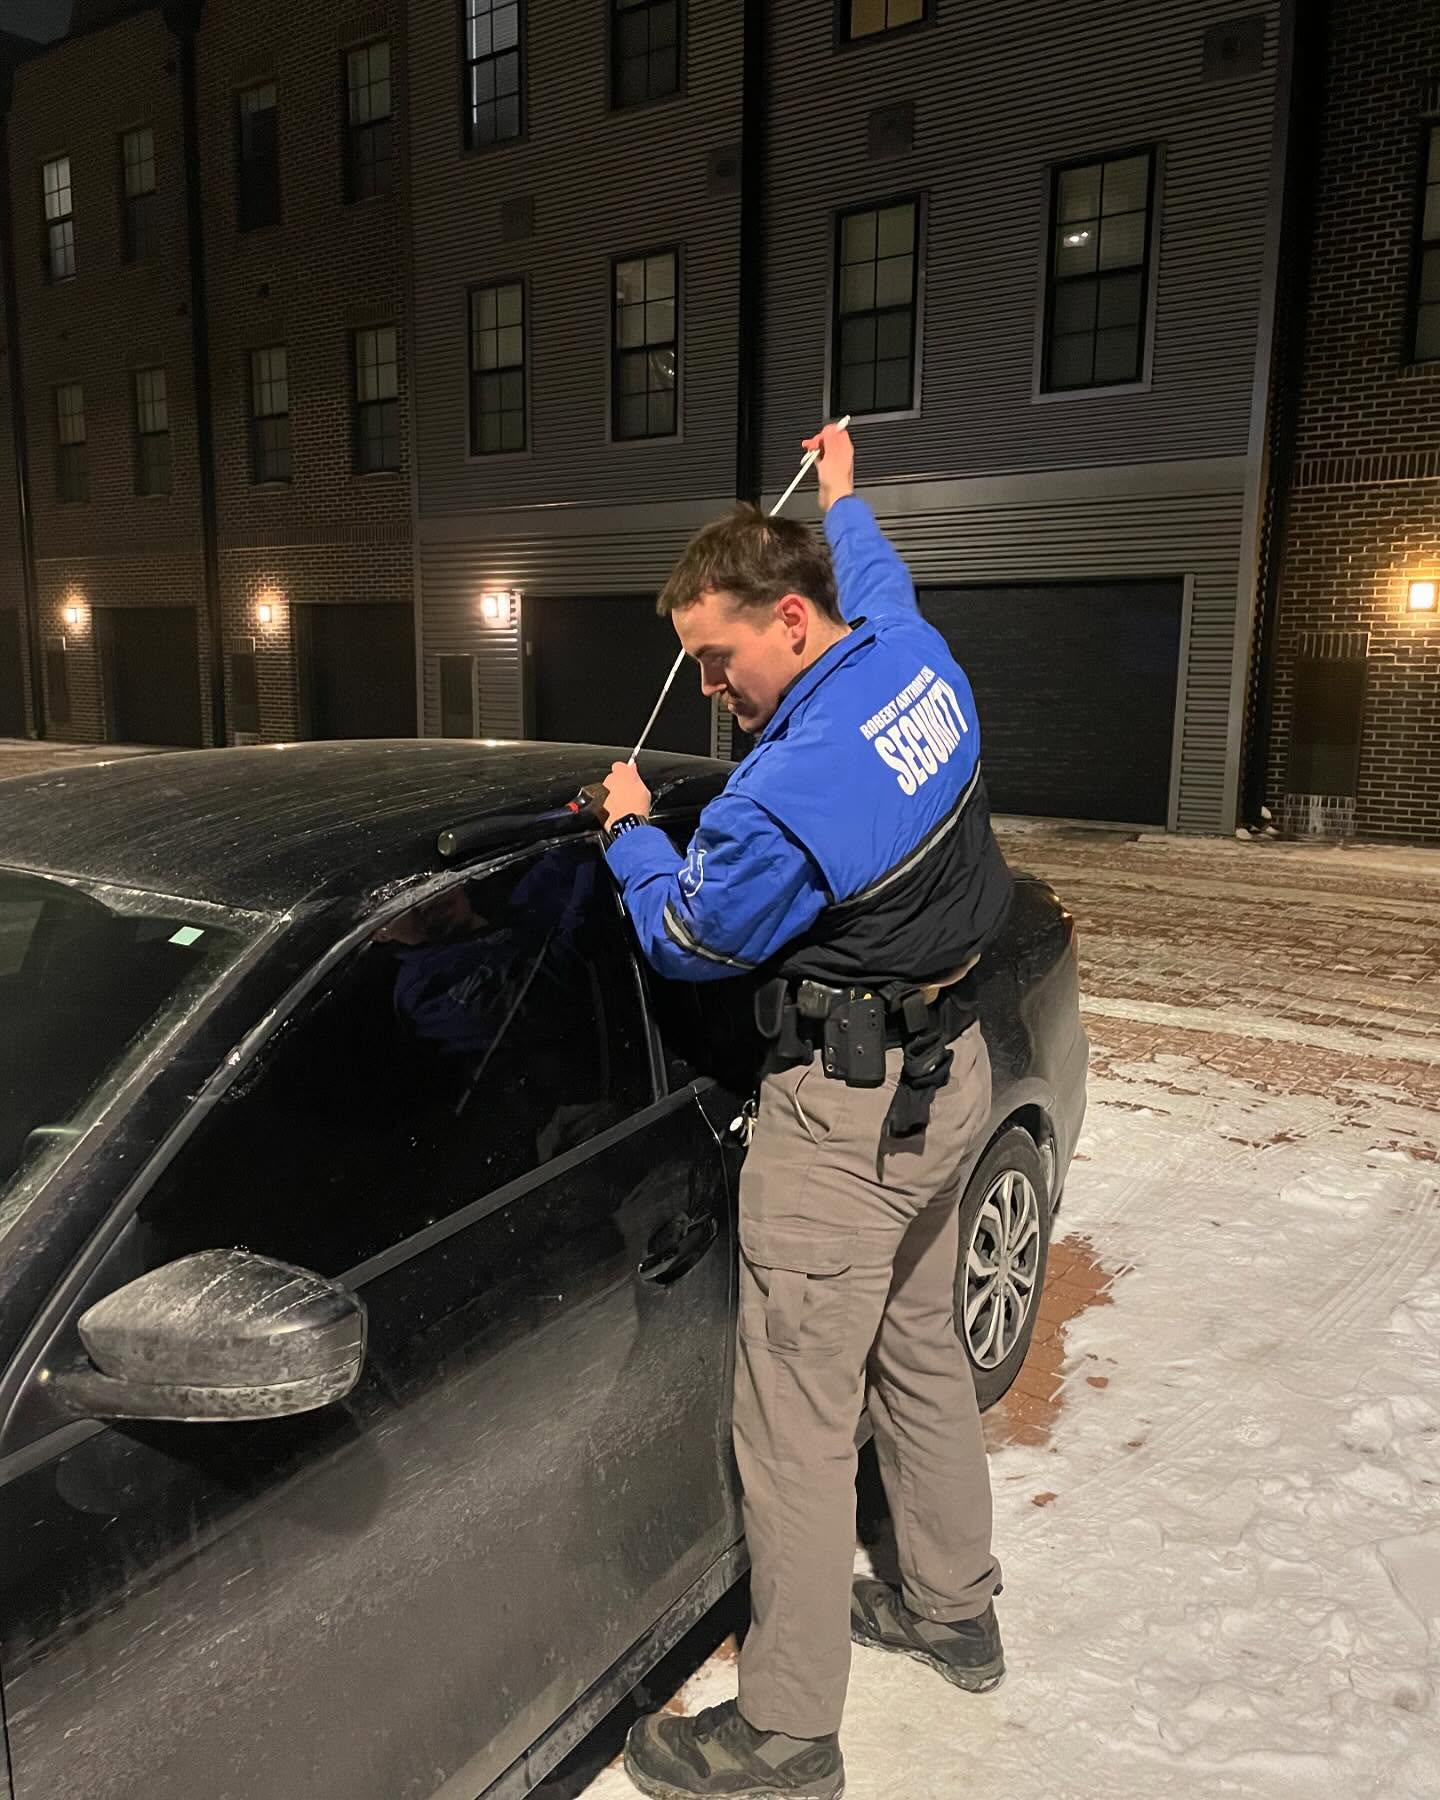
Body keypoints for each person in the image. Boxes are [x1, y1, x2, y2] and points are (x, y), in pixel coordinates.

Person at [598, 423, 1015, 1800]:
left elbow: (694, 945)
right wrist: (840, 488)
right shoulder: (909, 653)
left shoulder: (780, 799)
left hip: (843, 1127)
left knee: (795, 1425)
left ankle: (784, 1732)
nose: (709, 688)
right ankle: (953, 1607)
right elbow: (876, 568)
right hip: (950, 1081)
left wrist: (631, 834)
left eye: (718, 657)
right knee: (923, 1345)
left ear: (789, 618)